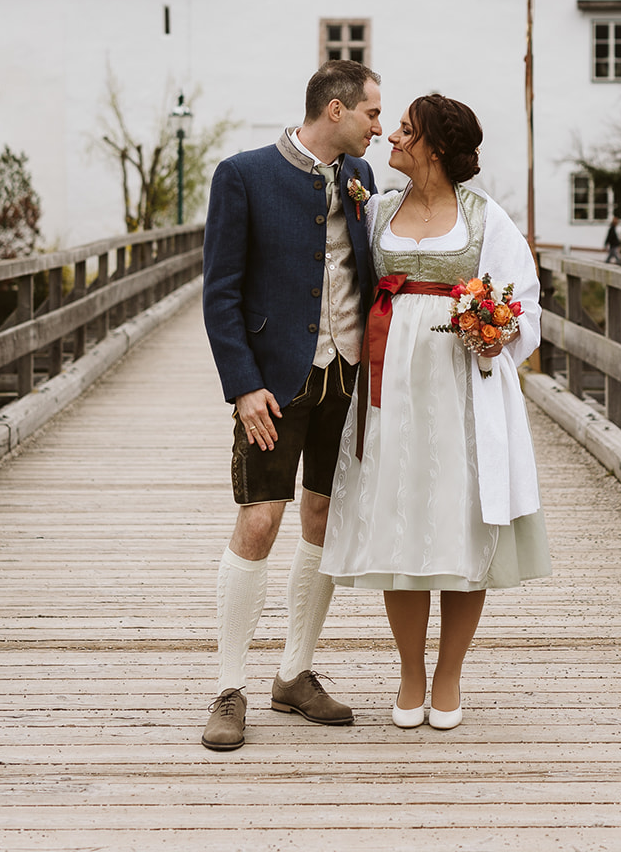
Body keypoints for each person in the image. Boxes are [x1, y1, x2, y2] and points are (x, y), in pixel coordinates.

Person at [321, 93, 551, 730]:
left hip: (461, 389)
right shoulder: (378, 213)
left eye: (405, 131)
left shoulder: (486, 219)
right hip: (391, 384)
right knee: (399, 523)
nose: (391, 137)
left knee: (460, 523)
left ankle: (448, 673)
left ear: (436, 149)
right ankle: (409, 671)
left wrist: (499, 329)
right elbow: (341, 280)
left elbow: (523, 303)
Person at [200, 61, 381, 751]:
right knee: (259, 519)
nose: (378, 124)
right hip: (274, 381)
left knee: (323, 515)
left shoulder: (362, 182)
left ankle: (294, 673)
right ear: (334, 110)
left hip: (345, 377)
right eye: (371, 112)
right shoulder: (242, 174)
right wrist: (242, 384)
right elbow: (220, 291)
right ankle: (228, 687)